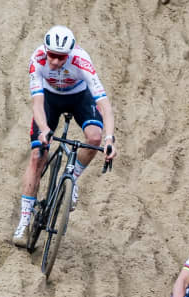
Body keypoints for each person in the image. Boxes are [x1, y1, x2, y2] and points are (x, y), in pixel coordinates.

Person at [13, 25, 117, 245]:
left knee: (94, 138)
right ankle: (24, 221)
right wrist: (44, 129)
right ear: (45, 50)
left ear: (69, 54)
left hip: (79, 97)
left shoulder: (82, 61)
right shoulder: (37, 59)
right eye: (52, 55)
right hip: (49, 100)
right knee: (37, 156)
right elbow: (37, 103)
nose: (55, 61)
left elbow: (105, 105)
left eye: (61, 57)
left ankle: (71, 179)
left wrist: (110, 139)